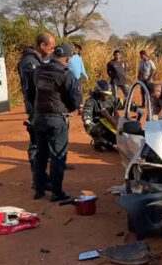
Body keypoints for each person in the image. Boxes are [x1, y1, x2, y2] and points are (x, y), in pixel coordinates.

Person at [31, 43, 83, 201]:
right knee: (57, 156)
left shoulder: (38, 70)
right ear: (67, 59)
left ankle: (39, 189)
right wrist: (72, 108)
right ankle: (56, 192)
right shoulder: (66, 74)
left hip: (39, 117)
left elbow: (33, 90)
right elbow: (76, 98)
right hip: (57, 118)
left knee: (41, 155)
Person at [18, 33, 55, 190]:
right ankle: (38, 179)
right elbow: (34, 87)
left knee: (42, 144)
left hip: (41, 107)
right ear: (42, 45)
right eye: (51, 47)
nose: (53, 51)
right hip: (36, 109)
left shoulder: (37, 60)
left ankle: (41, 177)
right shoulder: (29, 62)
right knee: (36, 144)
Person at [82, 79, 120, 151]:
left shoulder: (111, 99)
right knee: (102, 146)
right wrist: (87, 120)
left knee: (118, 138)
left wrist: (135, 108)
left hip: (109, 124)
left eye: (108, 94)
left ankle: (110, 143)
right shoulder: (91, 101)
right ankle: (99, 142)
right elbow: (87, 111)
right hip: (96, 126)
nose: (107, 96)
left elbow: (122, 103)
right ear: (98, 92)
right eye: (104, 94)